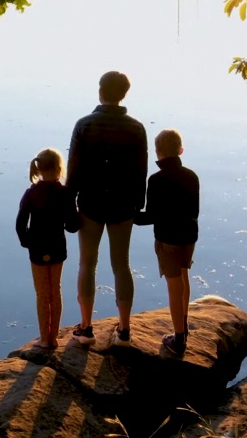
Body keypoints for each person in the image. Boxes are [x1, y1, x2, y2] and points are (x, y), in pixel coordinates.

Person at [66, 71, 148, 348]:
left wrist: (69, 206)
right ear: (124, 94)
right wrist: (138, 206)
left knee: (86, 264)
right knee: (121, 265)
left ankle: (86, 328)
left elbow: (74, 170)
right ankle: (124, 331)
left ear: (100, 90)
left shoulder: (84, 125)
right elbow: (141, 172)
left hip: (90, 203)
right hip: (123, 205)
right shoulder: (136, 128)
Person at [136, 128, 200, 355]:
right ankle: (183, 324)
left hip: (168, 238)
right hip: (189, 236)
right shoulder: (192, 176)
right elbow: (195, 210)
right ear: (181, 150)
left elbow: (150, 216)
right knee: (184, 276)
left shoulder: (156, 180)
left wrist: (132, 215)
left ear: (158, 152)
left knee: (174, 285)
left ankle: (179, 339)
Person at [15, 147, 80, 350]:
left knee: (42, 294)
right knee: (55, 292)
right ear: (60, 168)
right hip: (58, 248)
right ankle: (54, 337)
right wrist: (77, 211)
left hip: (37, 249)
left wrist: (27, 242)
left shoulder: (31, 193)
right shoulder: (64, 194)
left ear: (39, 169)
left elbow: (20, 224)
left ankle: (44, 338)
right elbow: (72, 226)